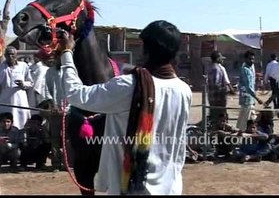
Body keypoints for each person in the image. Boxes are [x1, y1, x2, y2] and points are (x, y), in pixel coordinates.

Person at [57, 20, 192, 195]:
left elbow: (76, 94)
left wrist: (67, 52)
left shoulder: (129, 86)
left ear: (145, 49)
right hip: (170, 188)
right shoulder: (183, 90)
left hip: (132, 189)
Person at [0, 46, 33, 129]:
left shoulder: (23, 66)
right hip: (5, 98)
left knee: (21, 121)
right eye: (8, 54)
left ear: (16, 55)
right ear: (5, 55)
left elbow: (30, 82)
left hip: (20, 99)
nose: (10, 56)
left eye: (12, 54)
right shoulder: (1, 67)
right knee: (5, 120)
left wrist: (23, 84)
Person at [207, 50, 235, 130]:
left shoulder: (210, 67)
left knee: (214, 116)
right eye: (220, 58)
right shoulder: (217, 69)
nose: (222, 60)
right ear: (217, 58)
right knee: (219, 118)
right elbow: (216, 84)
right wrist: (225, 90)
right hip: (218, 99)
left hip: (212, 98)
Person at [237, 51, 263, 131]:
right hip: (246, 99)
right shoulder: (245, 70)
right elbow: (248, 87)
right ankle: (240, 135)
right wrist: (257, 98)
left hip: (250, 99)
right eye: (250, 59)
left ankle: (253, 132)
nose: (252, 61)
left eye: (253, 59)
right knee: (244, 120)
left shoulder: (250, 68)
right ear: (245, 59)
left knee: (251, 118)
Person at [27, 47, 53, 114]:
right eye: (49, 57)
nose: (51, 59)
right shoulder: (43, 69)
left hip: (34, 99)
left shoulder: (36, 68)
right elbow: (37, 89)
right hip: (41, 101)